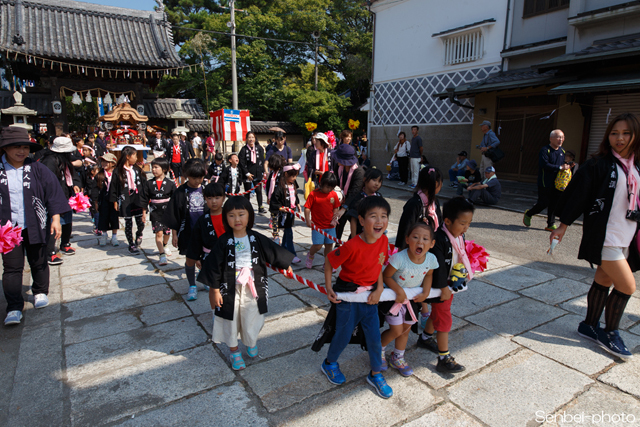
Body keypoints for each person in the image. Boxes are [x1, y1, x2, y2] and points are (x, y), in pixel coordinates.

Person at [552, 113, 640, 360]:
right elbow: (578, 194)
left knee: (604, 279)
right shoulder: (598, 164)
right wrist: (563, 224)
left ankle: (588, 326)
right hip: (606, 236)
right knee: (627, 285)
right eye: (614, 133)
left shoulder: (635, 165)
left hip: (627, 235)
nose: (620, 138)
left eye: (626, 133)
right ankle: (610, 333)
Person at [198, 196, 294, 370]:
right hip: (229, 288)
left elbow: (273, 252)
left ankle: (251, 341)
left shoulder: (256, 237)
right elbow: (213, 267)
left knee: (253, 316)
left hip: (252, 287)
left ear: (249, 216)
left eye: (241, 214)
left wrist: (286, 265)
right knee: (230, 320)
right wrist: (214, 290)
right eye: (231, 215)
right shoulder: (223, 241)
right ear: (225, 218)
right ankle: (234, 351)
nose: (237, 219)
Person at [320, 196, 394, 399]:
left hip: (370, 297)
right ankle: (330, 363)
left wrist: (379, 288)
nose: (379, 221)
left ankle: (376, 374)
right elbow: (329, 262)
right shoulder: (351, 246)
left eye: (384, 216)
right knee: (343, 334)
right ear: (361, 220)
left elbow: (378, 266)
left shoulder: (384, 240)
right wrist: (328, 287)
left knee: (374, 337)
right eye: (373, 216)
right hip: (348, 296)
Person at [0, 127, 69, 326]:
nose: (21, 151)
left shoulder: (37, 168)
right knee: (12, 268)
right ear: (5, 148)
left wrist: (55, 218)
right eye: (15, 147)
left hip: (35, 223)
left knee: (38, 260)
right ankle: (14, 306)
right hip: (7, 229)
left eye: (24, 147)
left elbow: (53, 193)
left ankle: (40, 291)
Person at [417, 196, 474, 373]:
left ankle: (425, 338)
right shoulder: (440, 239)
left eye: (469, 223)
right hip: (440, 286)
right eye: (463, 223)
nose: (466, 227)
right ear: (447, 221)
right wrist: (443, 288)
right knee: (444, 320)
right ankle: (444, 358)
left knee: (438, 313)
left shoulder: (458, 235)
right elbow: (438, 267)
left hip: (450, 283)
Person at [380, 222, 437, 376]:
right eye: (416, 237)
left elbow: (429, 275)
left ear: (432, 244)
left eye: (425, 239)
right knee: (396, 330)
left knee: (405, 331)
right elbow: (386, 275)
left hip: (412, 301)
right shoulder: (399, 258)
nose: (420, 242)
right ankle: (379, 350)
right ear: (407, 239)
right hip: (394, 299)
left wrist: (425, 293)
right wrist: (398, 290)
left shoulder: (431, 259)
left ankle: (397, 357)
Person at [163, 158, 207, 301]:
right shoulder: (181, 192)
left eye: (200, 177)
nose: (197, 181)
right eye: (194, 178)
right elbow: (174, 214)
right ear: (187, 175)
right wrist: (174, 234)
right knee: (190, 259)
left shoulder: (205, 189)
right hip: (188, 231)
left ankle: (206, 279)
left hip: (205, 231)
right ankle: (192, 285)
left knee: (206, 258)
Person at [40, 136, 82, 264]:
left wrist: (76, 184)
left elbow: (74, 174)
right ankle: (49, 252)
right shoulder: (49, 161)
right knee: (53, 224)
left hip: (66, 194)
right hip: (54, 196)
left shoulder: (65, 160)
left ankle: (65, 243)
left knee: (67, 221)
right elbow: (47, 182)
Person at [523, 130, 568, 231]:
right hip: (545, 182)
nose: (560, 139)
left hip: (557, 183)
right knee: (543, 203)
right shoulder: (545, 150)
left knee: (554, 203)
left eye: (562, 137)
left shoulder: (562, 151)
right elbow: (544, 165)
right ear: (551, 138)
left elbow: (562, 165)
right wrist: (560, 167)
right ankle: (529, 213)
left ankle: (550, 224)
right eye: (558, 137)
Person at [109, 146, 147, 254]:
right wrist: (115, 201)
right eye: (134, 155)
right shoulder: (118, 171)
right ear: (127, 157)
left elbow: (144, 184)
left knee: (141, 222)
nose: (136, 158)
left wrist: (146, 198)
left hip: (137, 198)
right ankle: (131, 244)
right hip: (125, 198)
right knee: (128, 222)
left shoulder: (137, 169)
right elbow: (113, 187)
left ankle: (139, 233)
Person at [395, 167, 443, 251]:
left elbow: (440, 223)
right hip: (416, 249)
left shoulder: (434, 202)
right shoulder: (414, 204)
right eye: (441, 183)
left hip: (431, 246)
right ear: (436, 184)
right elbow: (405, 229)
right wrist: (401, 253)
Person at [303, 171, 341, 268]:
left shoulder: (333, 194)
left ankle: (327, 263)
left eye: (332, 188)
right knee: (318, 245)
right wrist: (308, 220)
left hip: (330, 226)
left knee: (329, 245)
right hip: (317, 226)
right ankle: (310, 255)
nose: (329, 190)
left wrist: (334, 217)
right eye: (327, 187)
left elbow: (335, 207)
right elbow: (307, 208)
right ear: (321, 183)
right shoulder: (313, 194)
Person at [143, 158, 176, 266]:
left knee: (167, 233)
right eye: (153, 167)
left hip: (167, 212)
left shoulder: (170, 184)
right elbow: (144, 199)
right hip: (155, 212)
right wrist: (144, 212)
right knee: (159, 233)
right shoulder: (149, 183)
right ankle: (162, 255)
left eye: (156, 167)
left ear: (164, 169)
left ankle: (165, 245)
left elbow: (175, 198)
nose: (154, 170)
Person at [185, 182, 226, 270]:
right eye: (210, 198)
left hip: (228, 255)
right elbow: (196, 240)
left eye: (217, 198)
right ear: (205, 199)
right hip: (209, 256)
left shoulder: (229, 216)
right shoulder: (202, 220)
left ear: (224, 198)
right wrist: (197, 257)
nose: (214, 201)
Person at [269, 164, 302, 263]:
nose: (294, 178)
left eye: (296, 176)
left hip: (291, 212)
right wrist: (280, 208)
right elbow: (274, 201)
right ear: (286, 174)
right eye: (293, 176)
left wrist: (298, 204)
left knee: (288, 233)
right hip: (284, 214)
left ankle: (282, 251)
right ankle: (292, 255)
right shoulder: (280, 187)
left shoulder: (293, 184)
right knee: (289, 233)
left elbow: (295, 196)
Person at [332, 144, 366, 240]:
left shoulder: (359, 172)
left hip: (356, 204)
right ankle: (336, 242)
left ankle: (352, 245)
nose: (336, 160)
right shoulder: (339, 167)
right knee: (338, 222)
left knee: (356, 229)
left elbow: (355, 192)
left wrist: (344, 208)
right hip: (343, 199)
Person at [347, 168, 384, 237]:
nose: (377, 184)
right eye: (374, 180)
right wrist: (354, 238)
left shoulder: (379, 197)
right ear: (365, 179)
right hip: (360, 235)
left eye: (379, 181)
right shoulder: (359, 198)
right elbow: (353, 219)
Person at [238, 131, 266, 213]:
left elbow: (262, 160)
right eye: (249, 137)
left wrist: (263, 171)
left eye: (252, 137)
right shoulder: (243, 150)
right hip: (248, 174)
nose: (251, 139)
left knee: (259, 191)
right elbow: (241, 163)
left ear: (255, 138)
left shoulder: (259, 148)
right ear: (246, 139)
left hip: (257, 172)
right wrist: (247, 173)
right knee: (247, 191)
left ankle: (260, 207)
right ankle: (247, 208)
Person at [97, 154, 120, 246]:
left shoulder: (117, 174)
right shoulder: (100, 175)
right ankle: (104, 234)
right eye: (103, 161)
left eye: (107, 161)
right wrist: (95, 201)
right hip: (103, 199)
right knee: (103, 217)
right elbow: (95, 189)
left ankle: (114, 236)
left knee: (114, 217)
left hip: (114, 199)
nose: (104, 163)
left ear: (113, 163)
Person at [265, 153, 284, 242]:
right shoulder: (272, 173)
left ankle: (278, 231)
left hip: (279, 200)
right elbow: (268, 186)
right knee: (274, 217)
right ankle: (276, 235)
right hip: (272, 200)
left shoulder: (282, 174)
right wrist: (268, 197)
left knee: (280, 218)